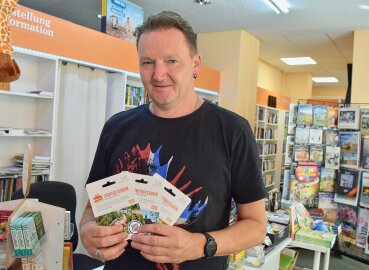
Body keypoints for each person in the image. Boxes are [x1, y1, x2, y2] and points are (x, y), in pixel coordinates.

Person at [80, 11, 267, 270]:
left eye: (172, 61)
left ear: (196, 65)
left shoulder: (232, 130)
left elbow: (256, 226)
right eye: (147, 62)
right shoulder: (115, 127)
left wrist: (200, 245)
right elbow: (92, 209)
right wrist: (88, 230)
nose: (158, 74)